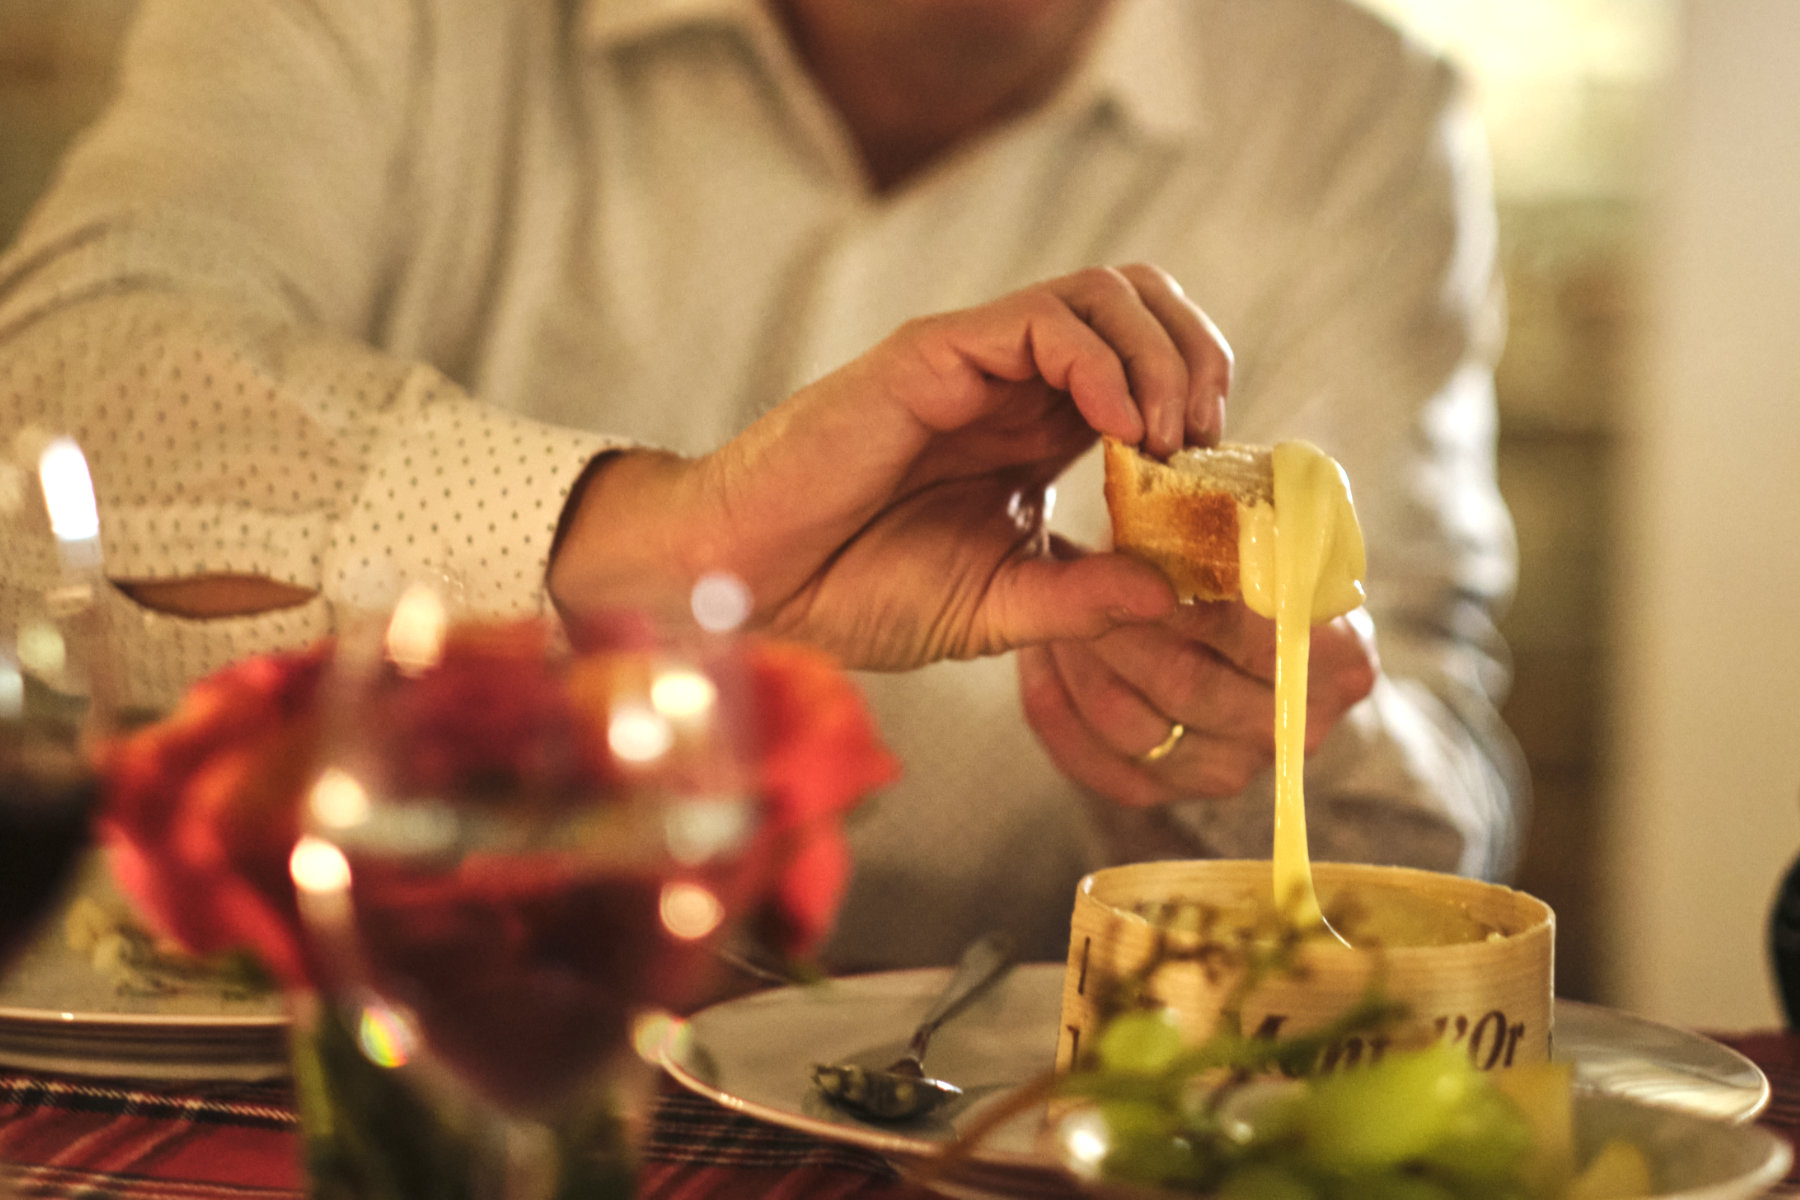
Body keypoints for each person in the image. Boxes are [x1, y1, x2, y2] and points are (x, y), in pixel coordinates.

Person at [0, 0, 1524, 970]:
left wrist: (1252, 736)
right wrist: (659, 535)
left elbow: (1429, 814)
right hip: (328, 1076)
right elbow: (47, 412)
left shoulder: (1358, 111)